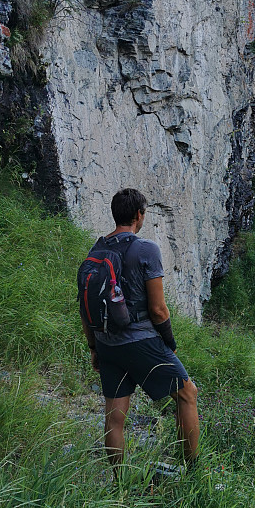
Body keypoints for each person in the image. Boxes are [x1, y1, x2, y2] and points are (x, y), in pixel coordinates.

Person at [80, 187, 199, 477]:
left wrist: (94, 348)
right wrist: (169, 343)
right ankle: (193, 472)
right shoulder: (146, 249)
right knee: (187, 394)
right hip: (141, 341)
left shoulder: (96, 251)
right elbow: (158, 309)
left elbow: (85, 306)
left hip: (107, 344)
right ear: (139, 215)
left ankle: (119, 484)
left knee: (115, 416)